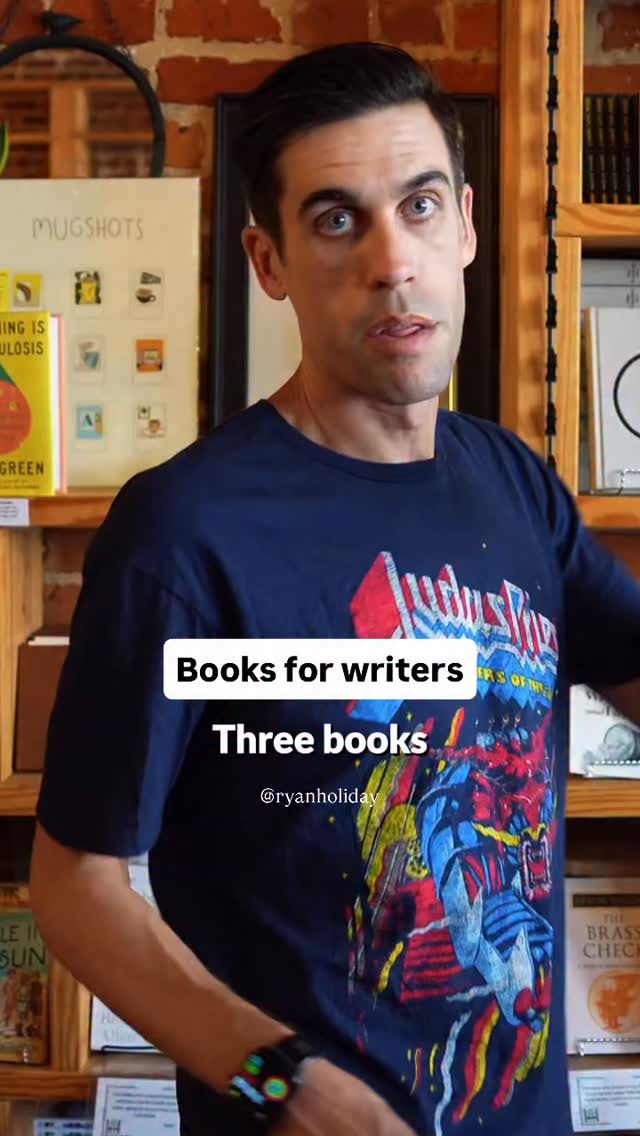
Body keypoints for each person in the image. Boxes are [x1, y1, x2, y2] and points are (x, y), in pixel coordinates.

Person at [30, 40, 640, 1136]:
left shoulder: (508, 480)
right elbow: (76, 886)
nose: (391, 261)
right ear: (268, 260)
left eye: (419, 206)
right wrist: (279, 1084)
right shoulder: (187, 532)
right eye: (336, 219)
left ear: (465, 224)